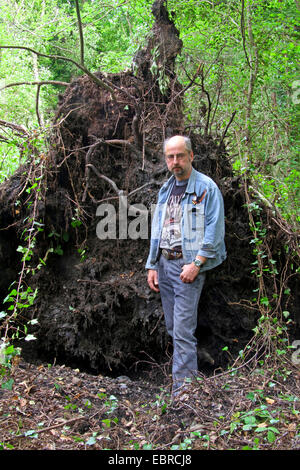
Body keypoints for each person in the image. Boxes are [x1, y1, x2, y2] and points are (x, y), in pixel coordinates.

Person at [145, 135, 226, 396]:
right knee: (173, 327)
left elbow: (214, 231)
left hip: (187, 266)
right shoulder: (166, 188)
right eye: (170, 156)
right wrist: (152, 264)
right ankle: (191, 363)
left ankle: (184, 393)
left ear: (191, 156)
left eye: (180, 155)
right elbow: (158, 228)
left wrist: (196, 264)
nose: (175, 161)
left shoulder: (206, 188)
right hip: (166, 265)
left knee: (181, 331)